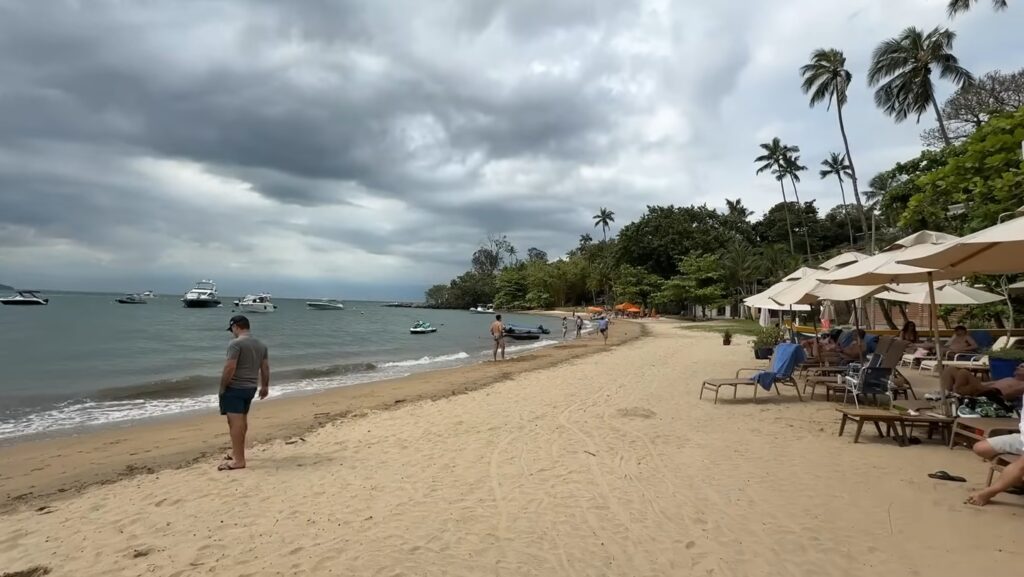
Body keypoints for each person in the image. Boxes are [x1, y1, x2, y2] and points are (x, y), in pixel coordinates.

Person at [966, 364, 1024, 506]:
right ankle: (1016, 479)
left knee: (1020, 465)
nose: (1018, 366)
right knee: (981, 448)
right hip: (1021, 439)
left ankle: (988, 493)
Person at [218, 315, 269, 471]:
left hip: (236, 387)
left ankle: (239, 460)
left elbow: (230, 367)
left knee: (235, 423)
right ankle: (236, 453)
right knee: (241, 421)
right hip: (250, 387)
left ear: (236, 327)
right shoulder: (261, 344)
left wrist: (222, 386)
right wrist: (265, 386)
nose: (232, 333)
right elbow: (265, 368)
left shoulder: (236, 344)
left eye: (231, 329)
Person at [940, 364, 1024, 400]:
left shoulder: (1022, 384)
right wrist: (975, 383)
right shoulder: (1009, 378)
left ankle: (953, 393)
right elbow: (990, 383)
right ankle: (947, 394)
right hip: (984, 389)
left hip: (993, 395)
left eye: (1021, 367)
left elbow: (1007, 395)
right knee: (950, 369)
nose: (1017, 367)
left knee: (963, 372)